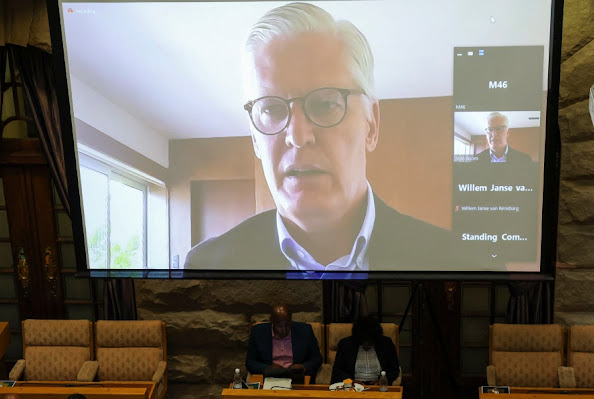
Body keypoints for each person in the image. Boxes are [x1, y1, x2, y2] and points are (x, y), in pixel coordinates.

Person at [185, 2, 455, 271]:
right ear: (255, 139)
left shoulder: (456, 264)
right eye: (271, 109)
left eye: (325, 105)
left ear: (371, 125)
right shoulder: (206, 268)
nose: (298, 136)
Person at [246, 304, 322, 381]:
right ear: (272, 321)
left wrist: (304, 367)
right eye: (279, 326)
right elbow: (250, 362)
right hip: (270, 377)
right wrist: (267, 368)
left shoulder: (305, 330)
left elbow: (317, 359)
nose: (284, 330)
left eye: (287, 325)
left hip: (296, 377)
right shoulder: (258, 332)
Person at [331, 315, 399, 384]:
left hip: (378, 387)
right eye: (363, 343)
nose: (367, 346)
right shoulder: (345, 344)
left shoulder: (386, 344)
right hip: (352, 387)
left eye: (370, 343)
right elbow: (337, 370)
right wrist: (351, 381)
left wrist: (382, 381)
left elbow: (394, 369)